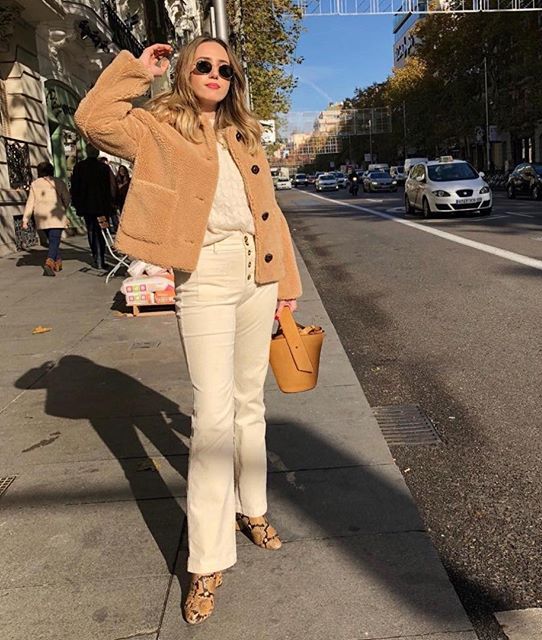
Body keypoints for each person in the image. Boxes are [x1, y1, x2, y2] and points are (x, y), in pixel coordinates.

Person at [74, 37, 301, 625]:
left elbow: (269, 212)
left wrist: (288, 284)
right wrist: (136, 72)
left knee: (251, 400)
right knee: (213, 415)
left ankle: (252, 508)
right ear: (183, 72)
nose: (215, 73)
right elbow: (92, 120)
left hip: (258, 271)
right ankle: (206, 561)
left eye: (225, 68)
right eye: (203, 64)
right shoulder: (157, 126)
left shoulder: (245, 133)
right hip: (202, 274)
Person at [21, 161, 70, 276]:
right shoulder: (58, 182)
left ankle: (58, 262)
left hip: (41, 217)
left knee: (53, 240)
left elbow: (30, 202)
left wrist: (25, 219)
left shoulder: (35, 184)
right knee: (55, 240)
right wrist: (64, 207)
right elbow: (67, 198)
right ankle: (49, 263)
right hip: (56, 215)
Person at [70, 144, 114, 269]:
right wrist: (111, 203)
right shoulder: (104, 168)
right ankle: (101, 257)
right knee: (102, 231)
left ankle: (96, 257)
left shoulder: (79, 167)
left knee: (91, 230)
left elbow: (75, 188)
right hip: (102, 205)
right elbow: (111, 187)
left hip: (87, 205)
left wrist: (77, 204)